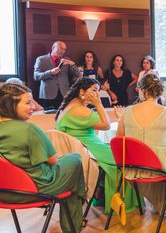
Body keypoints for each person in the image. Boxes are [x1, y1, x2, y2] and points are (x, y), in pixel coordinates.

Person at [0, 83, 86, 233]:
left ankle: (74, 223)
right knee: (75, 161)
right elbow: (53, 160)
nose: (33, 107)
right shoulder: (29, 130)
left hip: (6, 193)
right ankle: (73, 227)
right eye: (27, 103)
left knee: (70, 169)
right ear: (10, 104)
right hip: (37, 189)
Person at [116, 74, 166, 224]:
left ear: (141, 90)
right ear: (159, 92)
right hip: (159, 167)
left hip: (132, 167)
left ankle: (162, 204)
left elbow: (119, 138)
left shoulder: (127, 111)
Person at [54, 77, 138, 212]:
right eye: (94, 90)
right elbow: (106, 125)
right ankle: (119, 202)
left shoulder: (69, 107)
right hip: (88, 151)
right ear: (82, 91)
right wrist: (99, 104)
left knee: (117, 150)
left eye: (98, 91)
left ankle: (101, 195)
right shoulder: (80, 110)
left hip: (81, 149)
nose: (97, 94)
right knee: (124, 157)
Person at [33, 41, 80, 109]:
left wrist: (72, 64)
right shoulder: (41, 59)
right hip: (48, 95)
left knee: (63, 116)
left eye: (64, 49)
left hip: (64, 94)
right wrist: (50, 72)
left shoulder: (67, 60)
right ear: (53, 48)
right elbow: (36, 76)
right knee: (48, 117)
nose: (63, 51)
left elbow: (78, 74)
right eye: (60, 48)